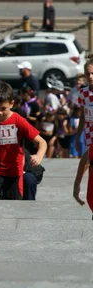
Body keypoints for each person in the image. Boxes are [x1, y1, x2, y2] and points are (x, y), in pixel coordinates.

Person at [73, 59, 93, 212]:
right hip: (88, 135)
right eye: (88, 73)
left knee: (86, 159)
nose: (91, 76)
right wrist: (78, 136)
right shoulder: (83, 93)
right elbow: (83, 116)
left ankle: (77, 187)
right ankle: (78, 187)